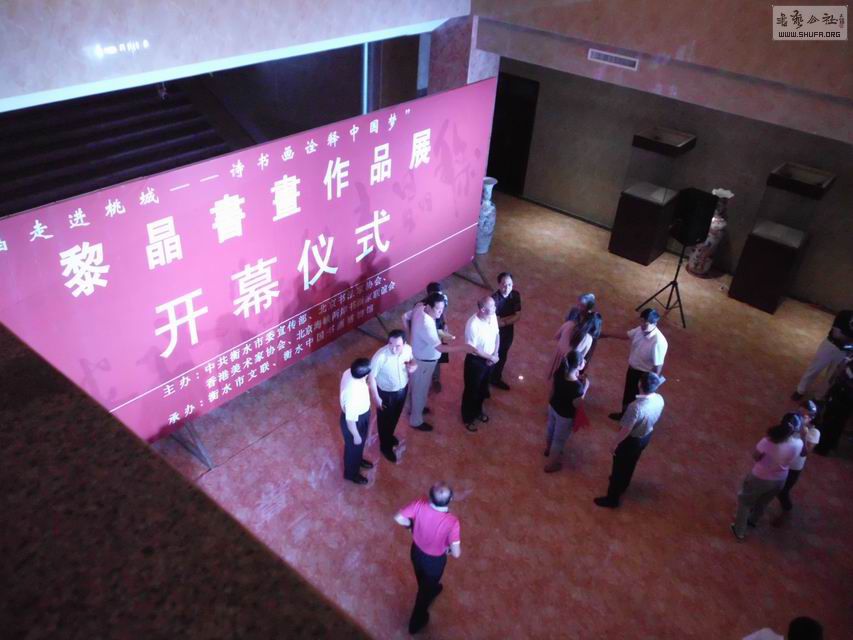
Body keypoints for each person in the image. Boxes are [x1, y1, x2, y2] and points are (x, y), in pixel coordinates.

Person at [394, 483, 461, 635]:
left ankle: (430, 589)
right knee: (423, 595)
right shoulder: (452, 522)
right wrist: (449, 549)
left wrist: (410, 527)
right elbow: (456, 553)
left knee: (422, 579)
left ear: (430, 496)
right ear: (451, 499)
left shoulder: (419, 504)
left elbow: (398, 517)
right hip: (434, 562)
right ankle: (415, 623)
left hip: (416, 553)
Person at [594, 372, 665, 508]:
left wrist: (615, 443)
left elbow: (626, 429)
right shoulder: (659, 399)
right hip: (646, 436)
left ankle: (612, 499)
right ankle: (624, 484)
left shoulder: (635, 407)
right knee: (631, 462)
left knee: (618, 468)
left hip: (631, 441)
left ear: (640, 385)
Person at [730, 413, 803, 540]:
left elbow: (756, 456)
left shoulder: (769, 440)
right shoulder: (799, 443)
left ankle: (739, 530)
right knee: (763, 502)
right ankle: (753, 521)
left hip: (760, 477)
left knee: (745, 502)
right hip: (780, 479)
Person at [408, 293, 473, 432]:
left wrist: (443, 334)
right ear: (429, 307)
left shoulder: (420, 308)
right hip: (424, 361)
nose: (440, 312)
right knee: (420, 391)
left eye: (442, 309)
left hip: (419, 356)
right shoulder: (426, 324)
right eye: (437, 309)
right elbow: (440, 348)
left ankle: (413, 409)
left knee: (416, 387)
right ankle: (416, 420)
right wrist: (463, 348)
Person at [606, 308, 667, 421]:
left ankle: (632, 422)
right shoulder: (640, 330)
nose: (642, 325)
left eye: (645, 323)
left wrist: (651, 384)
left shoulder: (658, 342)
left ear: (655, 323)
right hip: (633, 369)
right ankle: (624, 415)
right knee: (628, 394)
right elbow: (626, 335)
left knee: (639, 400)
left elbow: (658, 366)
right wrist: (606, 334)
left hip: (644, 374)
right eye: (641, 321)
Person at [368, 330, 417, 463]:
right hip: (386, 394)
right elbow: (371, 378)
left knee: (395, 416)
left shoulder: (408, 349)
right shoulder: (380, 356)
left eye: (398, 346)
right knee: (384, 420)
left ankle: (389, 436)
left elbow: (412, 360)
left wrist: (414, 366)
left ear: (404, 344)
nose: (393, 349)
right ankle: (385, 446)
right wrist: (376, 397)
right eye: (391, 344)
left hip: (402, 390)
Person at [403, 283, 454, 394]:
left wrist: (445, 324)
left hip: (438, 332)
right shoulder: (420, 306)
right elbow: (408, 319)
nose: (439, 296)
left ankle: (436, 378)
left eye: (440, 294)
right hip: (425, 338)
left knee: (437, 357)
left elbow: (443, 312)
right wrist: (409, 336)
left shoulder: (442, 299)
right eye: (436, 294)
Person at [792, 309, 852, 400]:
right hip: (831, 345)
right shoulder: (845, 314)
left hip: (845, 352)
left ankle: (818, 397)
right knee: (814, 369)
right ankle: (800, 390)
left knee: (831, 377)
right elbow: (836, 334)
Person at [544, 349, 589, 473]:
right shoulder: (577, 387)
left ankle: (548, 449)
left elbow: (553, 389)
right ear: (578, 366)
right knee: (559, 440)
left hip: (553, 406)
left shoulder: (559, 372)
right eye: (583, 361)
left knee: (550, 429)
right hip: (565, 415)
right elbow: (577, 404)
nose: (585, 362)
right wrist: (585, 388)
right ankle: (551, 465)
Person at [462, 295, 499, 432]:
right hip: (476, 362)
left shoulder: (492, 316)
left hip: (490, 358)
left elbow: (497, 335)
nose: (495, 308)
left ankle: (478, 411)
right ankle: (467, 418)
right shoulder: (472, 325)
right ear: (483, 310)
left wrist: (495, 354)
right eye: (492, 306)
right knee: (471, 390)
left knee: (483, 388)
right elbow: (473, 349)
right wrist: (491, 357)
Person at [775, 400, 819, 515]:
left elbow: (805, 453)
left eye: (807, 415)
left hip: (793, 467)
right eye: (801, 413)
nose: (803, 417)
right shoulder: (791, 421)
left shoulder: (814, 432)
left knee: (783, 492)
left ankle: (786, 509)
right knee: (768, 486)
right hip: (781, 461)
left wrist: (803, 435)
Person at [339, 358, 374, 485]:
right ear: (364, 375)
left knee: (357, 447)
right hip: (354, 422)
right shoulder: (352, 394)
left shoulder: (349, 372)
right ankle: (351, 473)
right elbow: (350, 421)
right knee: (353, 448)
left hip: (361, 415)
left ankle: (358, 460)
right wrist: (356, 435)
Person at [813, 356, 853, 456]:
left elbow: (846, 378)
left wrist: (845, 368)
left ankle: (823, 447)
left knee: (832, 420)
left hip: (844, 396)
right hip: (842, 394)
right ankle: (831, 444)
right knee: (838, 421)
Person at [490, 272, 521, 390]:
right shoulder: (494, 300)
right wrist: (510, 318)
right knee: (492, 354)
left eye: (509, 284)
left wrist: (503, 322)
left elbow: (518, 316)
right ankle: (488, 377)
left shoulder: (515, 295)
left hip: (508, 331)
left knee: (503, 355)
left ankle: (496, 378)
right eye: (504, 284)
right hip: (494, 332)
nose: (507, 288)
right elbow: (495, 323)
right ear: (499, 285)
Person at [548, 311, 599, 379]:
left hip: (556, 357)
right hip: (569, 365)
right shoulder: (589, 339)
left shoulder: (569, 324)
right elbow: (579, 358)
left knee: (551, 377)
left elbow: (556, 337)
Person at [565, 293, 603, 364]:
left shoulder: (594, 319)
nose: (578, 307)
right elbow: (567, 326)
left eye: (582, 306)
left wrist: (586, 358)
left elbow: (594, 339)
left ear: (589, 308)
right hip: (569, 344)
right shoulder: (574, 311)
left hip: (581, 347)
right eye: (578, 304)